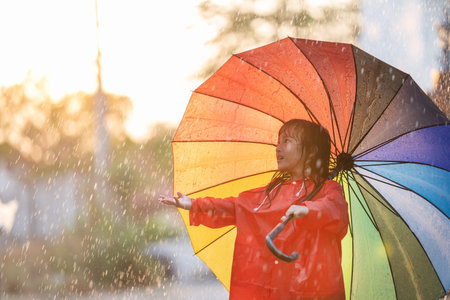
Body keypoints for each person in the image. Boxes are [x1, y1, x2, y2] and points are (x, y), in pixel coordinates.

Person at [159, 119, 349, 300]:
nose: (278, 148)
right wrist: (194, 204)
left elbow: (335, 210)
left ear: (312, 151)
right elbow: (238, 207)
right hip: (274, 287)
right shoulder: (271, 193)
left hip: (311, 287)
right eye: (278, 142)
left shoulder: (327, 190)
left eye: (287, 141)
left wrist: (307, 210)